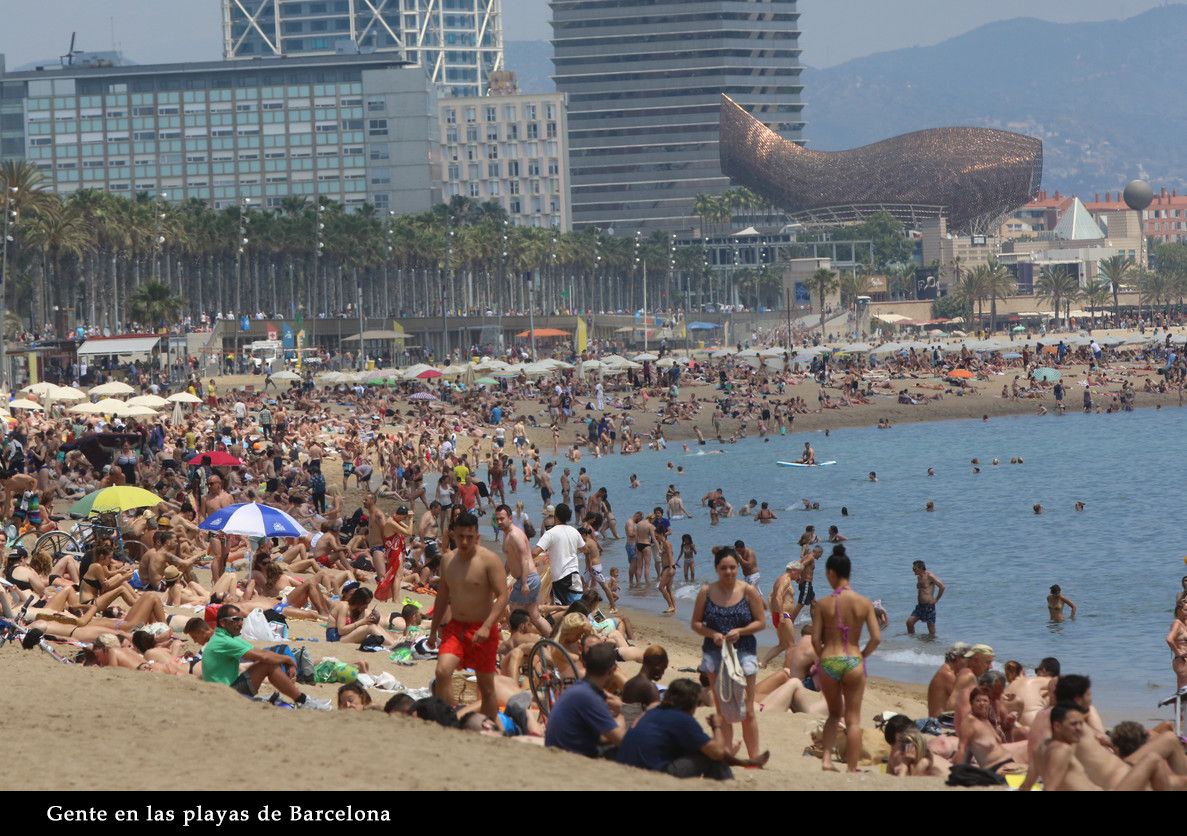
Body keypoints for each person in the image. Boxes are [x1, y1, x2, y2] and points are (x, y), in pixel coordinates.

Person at [429, 511, 510, 722]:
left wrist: (487, 626)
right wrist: (432, 630)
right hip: (455, 627)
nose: (465, 541)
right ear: (453, 535)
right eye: (461, 536)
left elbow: (503, 596)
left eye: (470, 537)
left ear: (477, 537)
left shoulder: (489, 560)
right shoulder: (447, 561)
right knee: (442, 672)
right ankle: (446, 720)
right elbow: (442, 597)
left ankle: (489, 726)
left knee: (486, 688)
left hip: (482, 628)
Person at [690, 546, 766, 762]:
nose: (729, 572)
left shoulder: (748, 591)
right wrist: (713, 633)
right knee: (723, 709)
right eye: (724, 568)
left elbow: (761, 622)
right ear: (717, 569)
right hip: (715, 654)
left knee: (747, 709)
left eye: (733, 567)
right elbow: (696, 623)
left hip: (744, 653)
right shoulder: (706, 592)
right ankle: (726, 755)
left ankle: (753, 757)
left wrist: (740, 631)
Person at [810, 545, 881, 772]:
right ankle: (851, 767)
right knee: (853, 719)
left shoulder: (822, 603)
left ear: (831, 573)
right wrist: (863, 655)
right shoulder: (864, 602)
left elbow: (814, 641)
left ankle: (827, 760)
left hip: (830, 660)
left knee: (833, 714)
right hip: (853, 661)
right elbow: (876, 638)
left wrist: (823, 658)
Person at [616, 679, 768, 779]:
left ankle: (745, 763)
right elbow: (717, 752)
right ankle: (731, 782)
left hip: (625, 766)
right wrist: (716, 727)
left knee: (698, 747)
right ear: (691, 704)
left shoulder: (653, 711)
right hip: (650, 774)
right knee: (711, 757)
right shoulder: (681, 719)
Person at [188, 606, 330, 710]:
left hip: (226, 689)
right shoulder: (223, 640)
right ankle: (304, 701)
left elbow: (259, 652)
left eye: (241, 619)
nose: (240, 623)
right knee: (267, 665)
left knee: (268, 662)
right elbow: (263, 657)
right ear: (223, 623)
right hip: (226, 695)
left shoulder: (224, 636)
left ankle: (303, 700)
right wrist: (289, 660)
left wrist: (286, 660)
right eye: (235, 620)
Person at [543, 644, 626, 757]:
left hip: (561, 749)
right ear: (612, 670)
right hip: (570, 757)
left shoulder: (579, 688)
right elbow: (621, 741)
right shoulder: (589, 697)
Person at [495, 504, 550, 637]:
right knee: (534, 616)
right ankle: (552, 640)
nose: (499, 522)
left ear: (510, 518)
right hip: (527, 578)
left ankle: (518, 642)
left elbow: (525, 559)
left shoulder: (515, 535)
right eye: (497, 519)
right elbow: (510, 558)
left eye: (502, 519)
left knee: (513, 613)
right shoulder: (507, 534)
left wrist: (525, 583)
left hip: (528, 579)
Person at [532, 502, 586, 605]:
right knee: (578, 606)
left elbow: (535, 553)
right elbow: (585, 549)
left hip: (559, 577)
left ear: (556, 516)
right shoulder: (574, 531)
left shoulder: (550, 533)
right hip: (574, 574)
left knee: (561, 607)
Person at [906, 559, 944, 637]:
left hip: (929, 606)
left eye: (914, 569)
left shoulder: (930, 576)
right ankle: (911, 641)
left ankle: (933, 645)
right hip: (920, 606)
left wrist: (936, 599)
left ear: (920, 568)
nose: (913, 570)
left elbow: (942, 587)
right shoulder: (919, 577)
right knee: (909, 622)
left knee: (931, 629)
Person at [1167, 599, 1187, 696]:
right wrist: (1178, 653)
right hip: (1181, 662)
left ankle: (1180, 711)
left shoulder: (1184, 623)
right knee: (1183, 693)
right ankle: (1180, 711)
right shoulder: (1177, 623)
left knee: (1182, 693)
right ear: (1179, 610)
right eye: (1186, 610)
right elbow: (1169, 639)